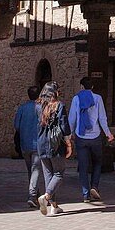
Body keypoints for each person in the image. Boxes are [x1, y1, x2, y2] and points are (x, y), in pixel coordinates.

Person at [68, 76, 114, 203]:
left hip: (81, 137)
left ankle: (85, 194)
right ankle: (95, 186)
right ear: (92, 87)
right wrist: (108, 133)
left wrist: (69, 134)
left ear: (81, 87)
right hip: (95, 137)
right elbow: (102, 118)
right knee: (97, 162)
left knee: (83, 166)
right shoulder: (98, 98)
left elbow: (72, 118)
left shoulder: (76, 99)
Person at [35, 82, 72, 216]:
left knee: (48, 175)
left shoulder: (38, 106)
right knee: (59, 173)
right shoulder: (59, 105)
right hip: (55, 144)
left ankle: (54, 206)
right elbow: (64, 126)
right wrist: (68, 143)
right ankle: (46, 197)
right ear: (54, 92)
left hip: (41, 143)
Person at [14, 85, 42, 208]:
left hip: (24, 144)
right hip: (38, 144)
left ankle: (35, 193)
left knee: (31, 169)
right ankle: (32, 195)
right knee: (35, 169)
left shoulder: (22, 108)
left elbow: (17, 126)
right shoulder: (41, 108)